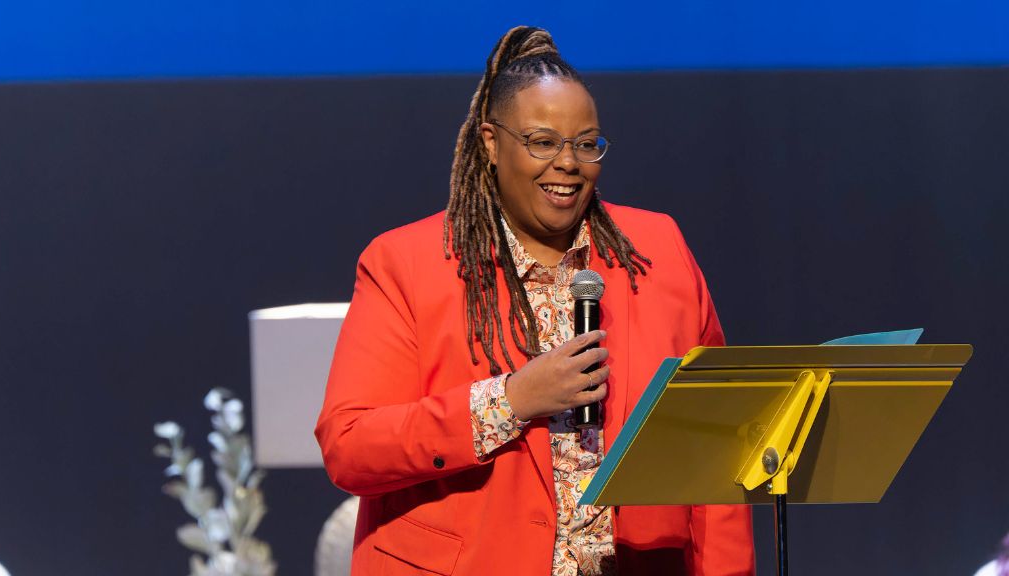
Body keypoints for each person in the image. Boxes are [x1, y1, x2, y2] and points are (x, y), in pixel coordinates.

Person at [315, 26, 755, 576]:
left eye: (587, 144)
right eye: (543, 142)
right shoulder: (405, 262)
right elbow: (351, 446)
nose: (568, 164)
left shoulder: (657, 249)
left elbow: (718, 440)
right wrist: (510, 400)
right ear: (492, 143)